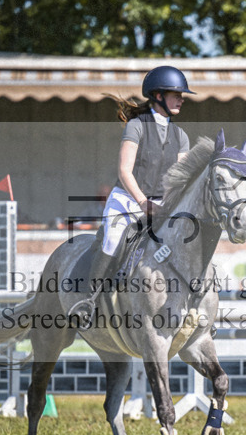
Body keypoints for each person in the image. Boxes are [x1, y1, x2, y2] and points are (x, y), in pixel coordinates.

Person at [69, 65, 194, 327]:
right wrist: (141, 202)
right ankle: (88, 302)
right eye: (176, 94)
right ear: (158, 95)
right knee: (114, 238)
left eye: (182, 95)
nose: (181, 99)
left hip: (161, 204)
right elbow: (124, 170)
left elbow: (179, 179)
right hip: (128, 199)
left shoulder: (181, 136)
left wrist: (173, 205)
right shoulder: (137, 126)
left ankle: (193, 306)